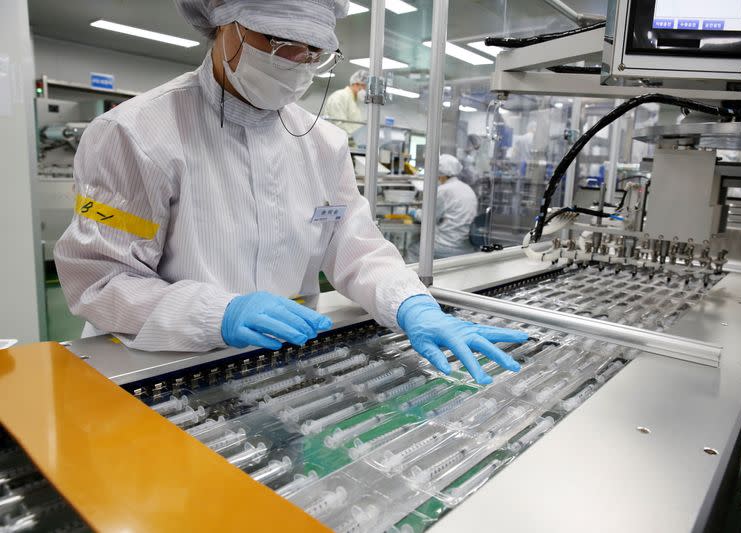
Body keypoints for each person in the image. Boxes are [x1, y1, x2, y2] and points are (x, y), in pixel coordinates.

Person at [53, 0, 526, 385]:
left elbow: (354, 247)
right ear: (225, 25)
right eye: (279, 43)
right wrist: (219, 312)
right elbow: (101, 282)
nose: (298, 63)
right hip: (154, 364)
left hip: (276, 367)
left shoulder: (324, 142)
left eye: (315, 52)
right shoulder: (136, 133)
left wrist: (410, 303)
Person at [410, 154, 478, 259]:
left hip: (446, 245)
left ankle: (416, 276)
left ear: (442, 175)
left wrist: (413, 212)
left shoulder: (444, 190)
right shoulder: (467, 188)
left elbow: (428, 218)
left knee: (413, 249)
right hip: (465, 245)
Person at [322, 70, 367, 134]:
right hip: (337, 140)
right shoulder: (339, 96)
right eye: (363, 86)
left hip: (349, 141)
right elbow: (339, 124)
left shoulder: (354, 101)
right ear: (355, 84)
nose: (364, 90)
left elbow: (355, 125)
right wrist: (353, 142)